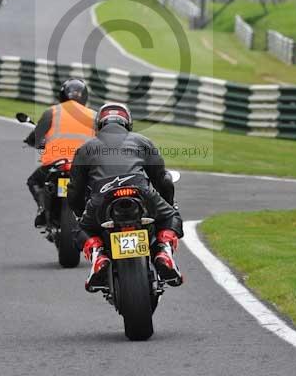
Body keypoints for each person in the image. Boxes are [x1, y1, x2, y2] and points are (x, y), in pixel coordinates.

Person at [68, 102, 183, 291]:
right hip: (140, 191)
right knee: (171, 215)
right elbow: (163, 180)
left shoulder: (86, 148)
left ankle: (99, 255)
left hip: (102, 197)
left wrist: (81, 213)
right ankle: (163, 251)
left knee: (80, 227)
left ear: (99, 124)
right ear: (127, 123)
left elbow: (75, 190)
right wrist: (168, 205)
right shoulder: (142, 141)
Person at [24, 79, 95, 228]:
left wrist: (31, 142)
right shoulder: (94, 115)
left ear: (62, 95)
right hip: (84, 165)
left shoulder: (52, 112)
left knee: (34, 181)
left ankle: (43, 209)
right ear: (84, 96)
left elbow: (36, 138)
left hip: (56, 164)